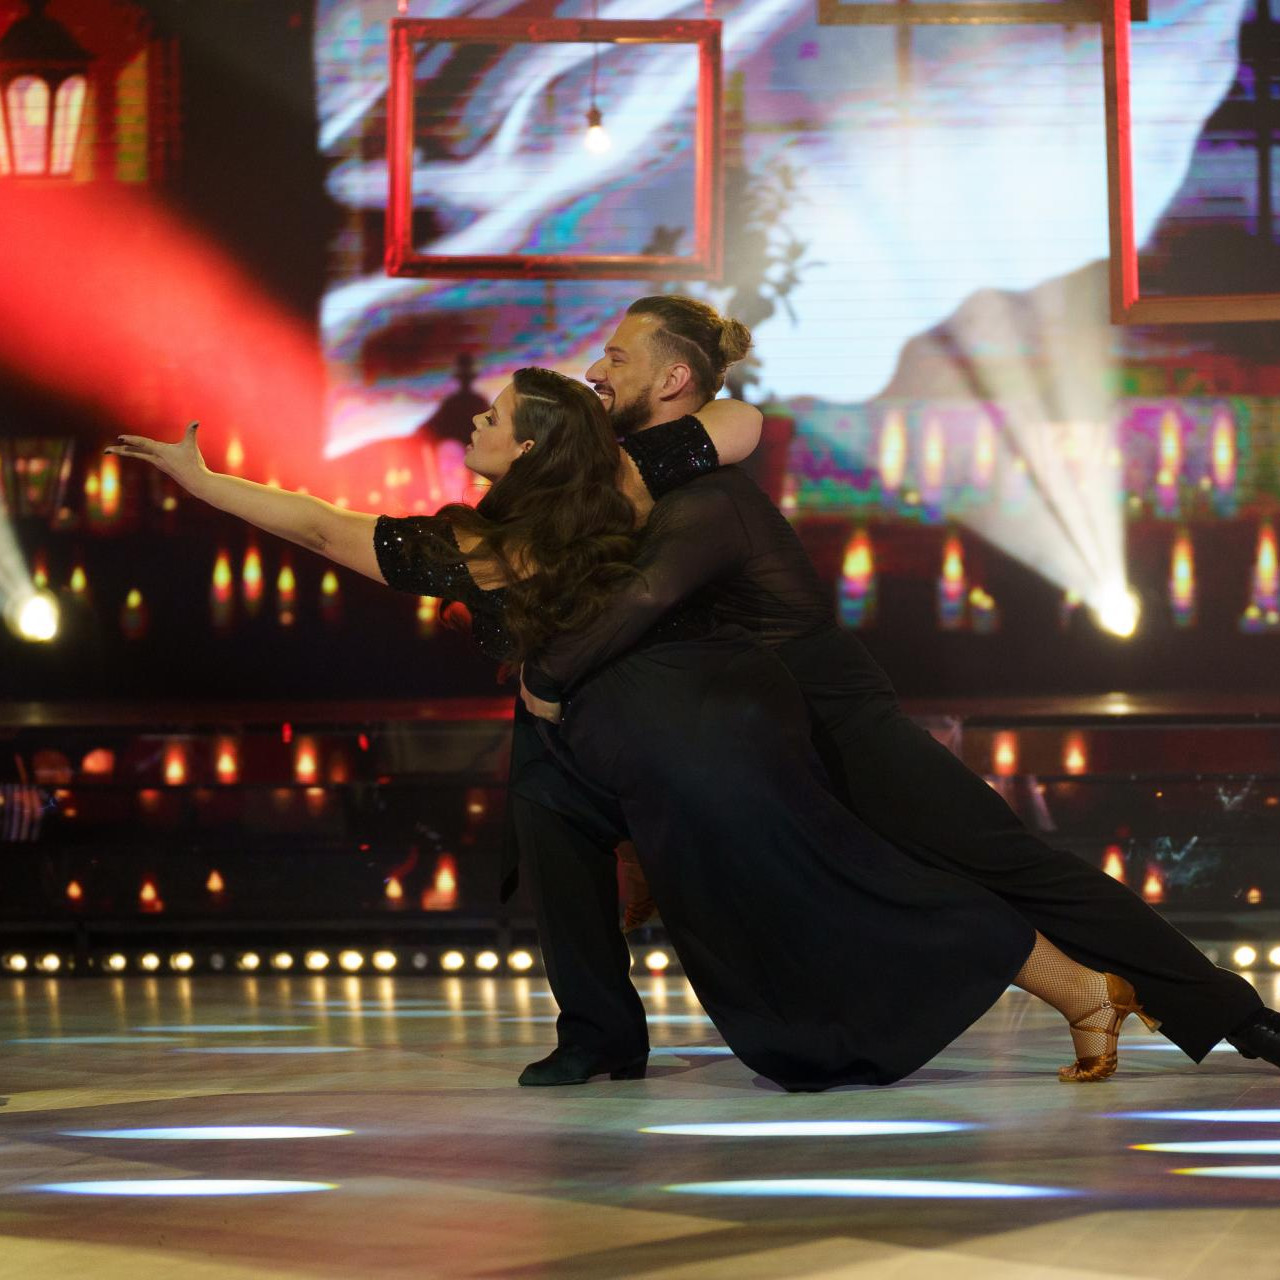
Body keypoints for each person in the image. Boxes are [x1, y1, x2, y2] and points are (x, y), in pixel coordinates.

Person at [106, 368, 1142, 1092]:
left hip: (687, 724)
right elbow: (328, 525)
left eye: (493, 417)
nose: (473, 423)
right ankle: (598, 1033)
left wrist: (205, 485)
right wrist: (206, 481)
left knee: (830, 877)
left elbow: (735, 423)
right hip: (615, 728)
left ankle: (1084, 986)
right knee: (572, 835)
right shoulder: (570, 505)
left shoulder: (570, 512)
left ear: (528, 448)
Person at [513, 294, 1280, 1084]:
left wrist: (548, 676)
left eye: (617, 357)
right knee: (563, 806)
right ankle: (602, 1033)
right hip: (745, 733)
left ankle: (1239, 1018)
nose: (597, 369)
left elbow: (643, 592)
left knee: (1013, 867)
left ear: (674, 378)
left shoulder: (711, 501)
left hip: (834, 723)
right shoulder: (648, 481)